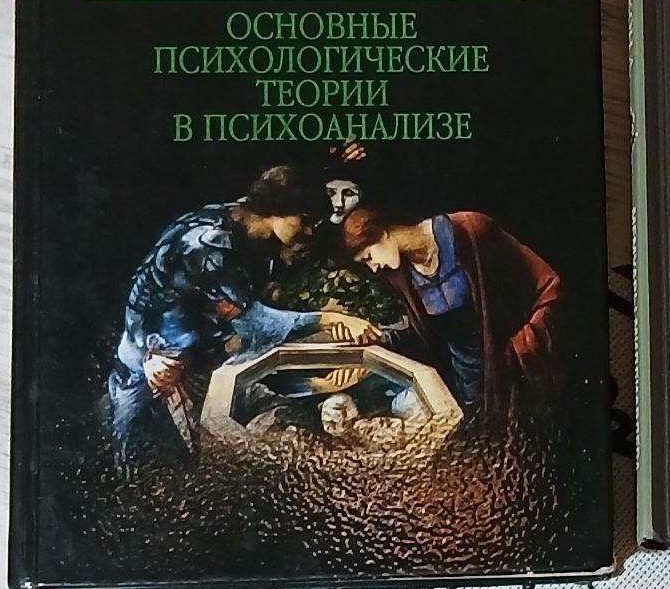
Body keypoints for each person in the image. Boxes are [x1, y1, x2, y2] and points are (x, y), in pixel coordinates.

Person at [107, 164, 376, 461]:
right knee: (138, 456)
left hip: (197, 357)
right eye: (306, 220)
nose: (310, 231)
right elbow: (256, 325)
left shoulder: (245, 231)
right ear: (277, 209)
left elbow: (246, 330)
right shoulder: (208, 243)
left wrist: (320, 385)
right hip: (151, 364)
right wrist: (330, 320)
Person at [340, 198, 561, 427]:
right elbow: (429, 334)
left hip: (510, 378)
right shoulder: (401, 276)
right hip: (465, 390)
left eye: (369, 257)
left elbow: (549, 286)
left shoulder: (472, 231)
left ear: (382, 233)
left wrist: (524, 343)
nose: (374, 267)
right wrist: (382, 338)